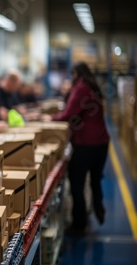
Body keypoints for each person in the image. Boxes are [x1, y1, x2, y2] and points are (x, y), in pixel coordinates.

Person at [43, 61, 109, 234]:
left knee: (76, 182)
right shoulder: (92, 87)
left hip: (87, 144)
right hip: (102, 143)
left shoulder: (81, 87)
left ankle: (79, 224)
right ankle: (98, 209)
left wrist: (50, 119)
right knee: (95, 179)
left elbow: (69, 114)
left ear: (76, 74)